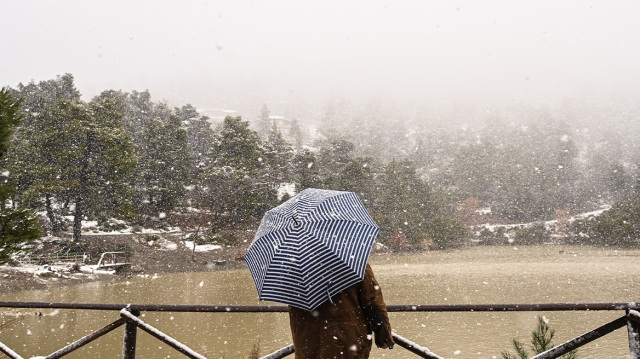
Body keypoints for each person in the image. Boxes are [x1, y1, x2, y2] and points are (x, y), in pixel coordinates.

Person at [288, 263, 394, 358]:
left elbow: (293, 309)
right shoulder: (354, 263)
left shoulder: (294, 268)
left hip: (308, 344)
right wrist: (383, 335)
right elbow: (373, 302)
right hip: (347, 342)